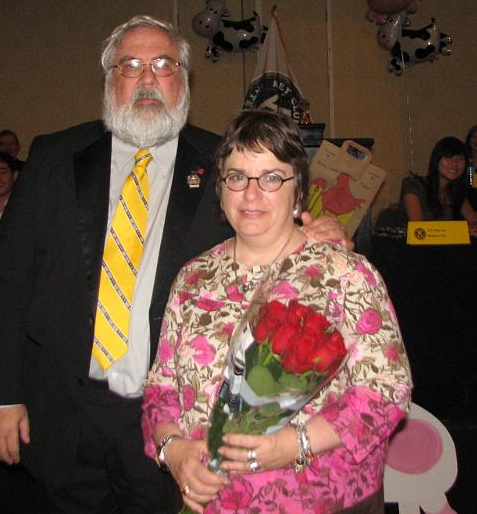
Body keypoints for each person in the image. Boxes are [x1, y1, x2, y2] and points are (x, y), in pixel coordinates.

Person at [0, 15, 347, 513]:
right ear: (110, 80)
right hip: (63, 405)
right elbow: (6, 277)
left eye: (163, 64)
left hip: (175, 421)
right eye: (130, 65)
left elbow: (275, 223)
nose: (147, 78)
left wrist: (320, 232)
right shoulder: (54, 155)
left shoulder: (223, 161)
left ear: (182, 80)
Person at [142, 110, 412, 513]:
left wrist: (294, 443)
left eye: (271, 178)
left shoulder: (344, 275)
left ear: (298, 190)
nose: (251, 194)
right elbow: (161, 386)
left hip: (320, 498)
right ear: (221, 188)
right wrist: (174, 450)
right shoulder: (193, 278)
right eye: (237, 177)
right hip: (214, 502)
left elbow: (386, 391)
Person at [400, 136, 477, 237]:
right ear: (436, 160)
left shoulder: (455, 191)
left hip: (442, 248)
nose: (455, 163)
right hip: (412, 248)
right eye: (448, 157)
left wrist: (466, 229)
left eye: (460, 159)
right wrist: (461, 229)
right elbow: (419, 230)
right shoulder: (414, 185)